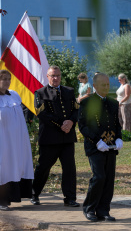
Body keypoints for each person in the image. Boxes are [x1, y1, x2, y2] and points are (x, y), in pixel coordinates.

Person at [31, 66, 79, 207]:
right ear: (47, 76)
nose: (55, 78)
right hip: (49, 138)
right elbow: (42, 113)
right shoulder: (40, 93)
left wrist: (71, 122)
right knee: (43, 167)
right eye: (53, 76)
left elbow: (76, 109)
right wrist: (61, 125)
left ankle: (70, 198)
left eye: (58, 75)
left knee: (69, 168)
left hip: (67, 138)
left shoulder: (69, 91)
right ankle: (34, 194)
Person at [78, 73, 123, 222]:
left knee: (109, 178)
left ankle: (103, 210)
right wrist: (97, 141)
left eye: (108, 85)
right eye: (103, 85)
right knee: (99, 177)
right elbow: (83, 126)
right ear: (95, 86)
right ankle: (89, 208)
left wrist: (119, 138)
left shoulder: (113, 103)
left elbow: (116, 124)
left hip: (110, 146)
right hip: (94, 145)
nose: (106, 87)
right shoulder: (86, 102)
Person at [0, 70, 34, 211]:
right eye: (4, 79)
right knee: (3, 167)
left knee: (14, 166)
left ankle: (11, 197)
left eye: (9, 79)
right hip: (3, 139)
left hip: (16, 139)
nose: (7, 82)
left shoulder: (14, 94)